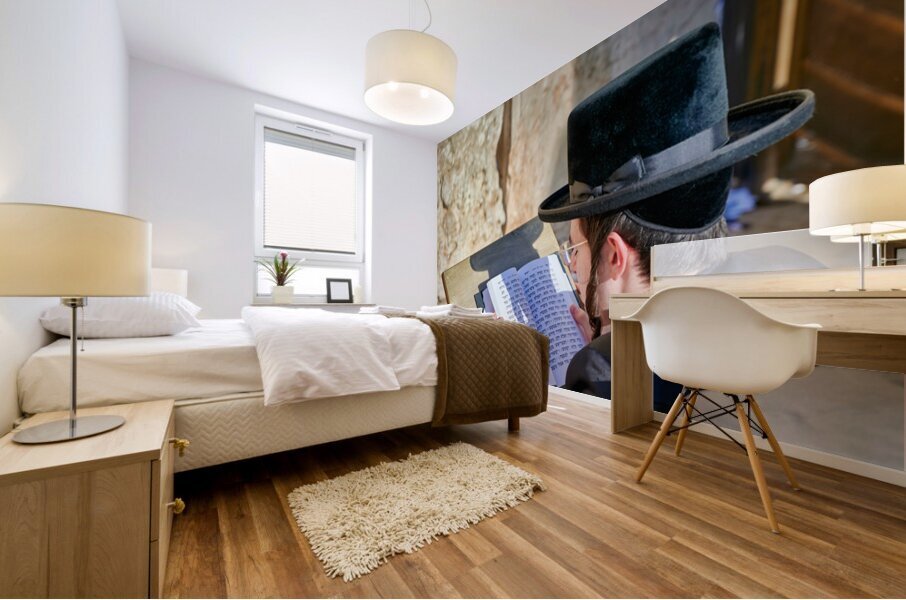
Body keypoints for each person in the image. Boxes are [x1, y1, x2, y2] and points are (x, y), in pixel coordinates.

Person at [537, 22, 815, 400]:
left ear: (615, 255)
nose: (571, 266)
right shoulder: (725, 334)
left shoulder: (597, 371)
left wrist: (596, 355)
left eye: (575, 250)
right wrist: (605, 338)